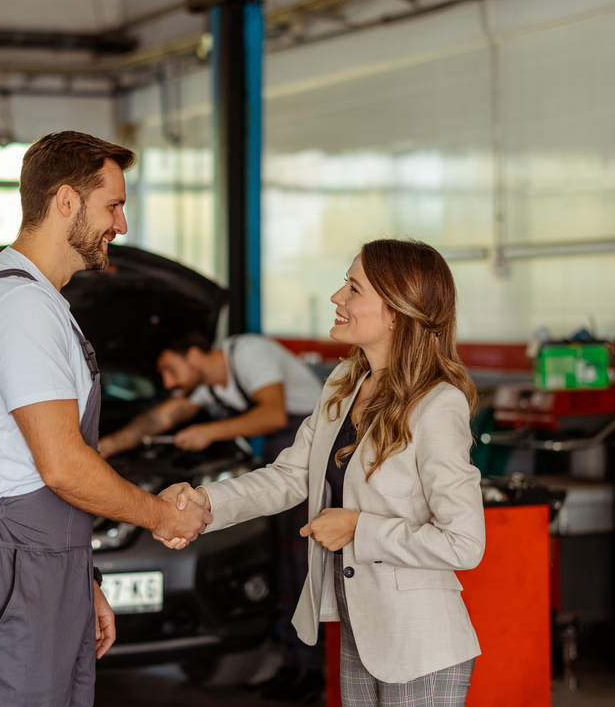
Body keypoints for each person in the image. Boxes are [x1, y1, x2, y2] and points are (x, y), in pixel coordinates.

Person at [0, 131, 212, 707]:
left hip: (40, 565)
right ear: (66, 200)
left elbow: (29, 468)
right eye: (113, 205)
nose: (121, 225)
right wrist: (163, 514)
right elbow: (62, 466)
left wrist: (80, 578)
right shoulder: (21, 308)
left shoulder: (37, 302)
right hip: (16, 568)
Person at [161, 239, 485, 707]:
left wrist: (358, 528)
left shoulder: (438, 404)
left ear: (396, 313)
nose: (337, 297)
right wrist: (207, 501)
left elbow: (464, 542)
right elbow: (290, 476)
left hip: (420, 644)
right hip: (359, 631)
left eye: (354, 288)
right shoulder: (342, 384)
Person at [98, 330, 327, 700]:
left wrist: (210, 431)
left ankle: (311, 671)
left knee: (300, 567)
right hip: (281, 459)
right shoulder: (210, 389)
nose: (168, 383)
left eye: (170, 370)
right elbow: (158, 419)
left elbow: (273, 414)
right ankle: (293, 665)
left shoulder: (248, 353)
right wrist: (106, 447)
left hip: (308, 462)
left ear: (193, 354)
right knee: (285, 568)